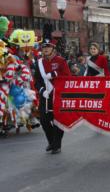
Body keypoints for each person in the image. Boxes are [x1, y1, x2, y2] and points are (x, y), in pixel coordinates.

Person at [34, 24, 71, 154]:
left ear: (53, 48)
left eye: (48, 47)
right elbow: (37, 80)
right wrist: (42, 91)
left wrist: (56, 75)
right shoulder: (38, 63)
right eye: (44, 47)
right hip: (45, 95)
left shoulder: (61, 61)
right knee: (44, 120)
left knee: (57, 121)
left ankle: (56, 145)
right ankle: (51, 141)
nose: (45, 49)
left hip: (58, 95)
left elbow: (67, 77)